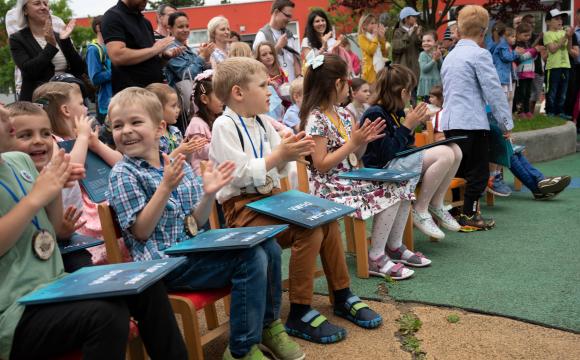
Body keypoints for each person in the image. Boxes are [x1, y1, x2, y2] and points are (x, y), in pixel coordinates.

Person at [107, 87, 302, 360]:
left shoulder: (176, 163)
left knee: (267, 245)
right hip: (162, 266)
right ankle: (241, 350)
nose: (125, 131)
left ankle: (268, 326)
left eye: (135, 122)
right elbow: (141, 232)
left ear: (159, 128)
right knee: (249, 259)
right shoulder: (123, 173)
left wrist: (209, 192)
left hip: (194, 250)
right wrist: (164, 188)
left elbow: (195, 222)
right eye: (117, 125)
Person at [209, 57, 382, 344]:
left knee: (324, 219)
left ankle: (342, 293)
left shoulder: (262, 121)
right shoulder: (224, 126)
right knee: (308, 227)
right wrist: (280, 157)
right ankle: (300, 310)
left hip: (272, 199)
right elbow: (236, 175)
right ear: (238, 93)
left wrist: (289, 154)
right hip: (243, 211)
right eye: (264, 85)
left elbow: (280, 166)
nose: (271, 90)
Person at [0, 105, 188, 360]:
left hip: (53, 285)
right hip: (12, 311)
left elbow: (53, 229)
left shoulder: (19, 161)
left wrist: (56, 184)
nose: (5, 114)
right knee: (106, 315)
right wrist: (35, 197)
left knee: (145, 284)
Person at [300, 54, 426, 281]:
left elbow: (355, 156)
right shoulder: (316, 118)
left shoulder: (343, 114)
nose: (350, 86)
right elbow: (321, 164)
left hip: (349, 177)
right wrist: (353, 143)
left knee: (402, 183)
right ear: (337, 84)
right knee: (390, 191)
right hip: (329, 186)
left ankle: (393, 246)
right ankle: (376, 256)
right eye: (348, 81)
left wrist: (362, 143)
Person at [361, 63, 462, 239]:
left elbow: (407, 144)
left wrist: (411, 126)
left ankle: (436, 204)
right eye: (411, 92)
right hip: (382, 169)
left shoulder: (397, 111)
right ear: (403, 92)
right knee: (445, 154)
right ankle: (420, 209)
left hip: (398, 162)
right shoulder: (375, 113)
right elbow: (387, 154)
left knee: (455, 149)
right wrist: (407, 125)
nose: (411, 97)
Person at [32, 82, 124, 263]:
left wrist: (96, 145)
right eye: (81, 103)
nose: (85, 108)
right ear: (66, 110)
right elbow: (71, 167)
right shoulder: (50, 142)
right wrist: (82, 138)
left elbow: (120, 163)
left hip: (101, 198)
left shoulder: (82, 137)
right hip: (78, 212)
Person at [440, 5, 514, 230]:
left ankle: (453, 211)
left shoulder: (450, 57)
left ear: (460, 30)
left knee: (458, 170)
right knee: (478, 171)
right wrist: (506, 123)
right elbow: (494, 91)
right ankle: (470, 215)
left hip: (450, 121)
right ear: (483, 31)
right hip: (472, 121)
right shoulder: (479, 54)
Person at [7, 101, 91, 273]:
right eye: (25, 135)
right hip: (21, 264)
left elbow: (52, 229)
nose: (38, 141)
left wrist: (64, 231)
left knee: (81, 258)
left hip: (53, 250)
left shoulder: (51, 173)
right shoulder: (10, 177)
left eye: (46, 134)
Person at [101, 0, 183, 94]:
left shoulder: (145, 22)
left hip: (153, 93)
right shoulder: (113, 16)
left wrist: (165, 57)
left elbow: (150, 59)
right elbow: (117, 56)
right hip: (133, 98)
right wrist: (155, 49)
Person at [8, 0, 84, 101]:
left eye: (45, 3)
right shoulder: (17, 39)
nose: (44, 7)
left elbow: (80, 69)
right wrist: (51, 46)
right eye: (37, 3)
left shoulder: (59, 36)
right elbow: (30, 71)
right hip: (39, 104)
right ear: (25, 10)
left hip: (68, 99)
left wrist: (66, 42)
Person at [145, 83, 200, 159]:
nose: (178, 110)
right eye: (173, 106)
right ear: (158, 109)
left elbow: (184, 161)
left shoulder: (175, 131)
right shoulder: (152, 137)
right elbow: (158, 167)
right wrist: (179, 150)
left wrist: (189, 149)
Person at [253, 0, 301, 81]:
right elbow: (257, 63)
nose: (290, 20)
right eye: (287, 16)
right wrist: (278, 47)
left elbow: (295, 59)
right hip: (274, 87)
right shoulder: (262, 35)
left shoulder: (289, 34)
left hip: (292, 86)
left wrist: (299, 76)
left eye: (290, 16)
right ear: (276, 12)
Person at [185, 70, 221, 176]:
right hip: (204, 175)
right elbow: (201, 151)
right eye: (219, 95)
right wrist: (225, 140)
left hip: (218, 172)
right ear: (204, 99)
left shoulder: (218, 117)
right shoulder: (196, 123)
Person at [543, 8, 574, 118]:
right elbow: (552, 49)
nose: (560, 21)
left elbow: (569, 49)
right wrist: (565, 36)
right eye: (556, 19)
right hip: (553, 67)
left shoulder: (563, 32)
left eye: (561, 19)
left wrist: (569, 37)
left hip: (565, 65)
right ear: (548, 22)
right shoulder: (547, 34)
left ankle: (560, 112)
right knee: (552, 90)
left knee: (563, 90)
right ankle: (550, 111)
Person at [392, 6, 423, 98]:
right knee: (406, 96)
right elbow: (397, 48)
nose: (416, 18)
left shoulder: (416, 30)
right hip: (404, 71)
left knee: (416, 96)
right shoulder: (397, 32)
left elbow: (421, 48)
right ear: (406, 18)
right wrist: (409, 34)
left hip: (415, 69)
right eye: (413, 16)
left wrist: (418, 36)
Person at [86, 15, 112, 124]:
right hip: (106, 104)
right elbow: (95, 78)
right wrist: (116, 72)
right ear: (98, 28)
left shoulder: (113, 46)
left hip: (120, 100)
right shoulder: (94, 49)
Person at [492, 27, 523, 113]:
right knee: (503, 97)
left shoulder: (506, 46)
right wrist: (516, 52)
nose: (515, 39)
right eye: (512, 36)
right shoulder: (503, 45)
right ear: (505, 37)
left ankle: (508, 117)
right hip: (502, 75)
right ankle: (503, 117)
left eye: (515, 36)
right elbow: (506, 57)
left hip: (507, 75)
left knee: (509, 96)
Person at [255, 41, 290, 110]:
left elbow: (287, 92)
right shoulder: (257, 74)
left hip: (284, 107)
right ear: (258, 58)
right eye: (264, 55)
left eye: (271, 53)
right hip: (267, 109)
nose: (268, 56)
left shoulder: (281, 72)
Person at [513, 22, 538, 118]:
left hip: (530, 72)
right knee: (521, 93)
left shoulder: (527, 44)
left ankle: (527, 111)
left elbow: (531, 58)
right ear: (518, 34)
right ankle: (520, 111)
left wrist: (535, 53)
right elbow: (520, 58)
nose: (528, 37)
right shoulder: (517, 44)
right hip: (521, 73)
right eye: (525, 35)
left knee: (528, 93)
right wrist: (533, 51)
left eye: (529, 35)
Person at [357, 13, 388, 83]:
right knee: (373, 93)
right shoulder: (361, 37)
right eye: (372, 23)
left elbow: (385, 54)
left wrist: (382, 38)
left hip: (381, 69)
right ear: (364, 26)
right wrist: (375, 36)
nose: (375, 25)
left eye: (375, 23)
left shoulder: (376, 37)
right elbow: (371, 50)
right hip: (370, 72)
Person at [418, 30, 442, 102]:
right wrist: (434, 60)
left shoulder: (437, 53)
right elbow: (424, 69)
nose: (425, 43)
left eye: (428, 41)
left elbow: (441, 68)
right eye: (423, 41)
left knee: (437, 106)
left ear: (435, 42)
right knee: (428, 106)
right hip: (426, 87)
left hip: (436, 84)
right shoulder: (423, 54)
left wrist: (438, 59)